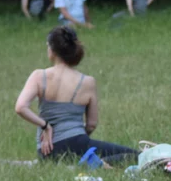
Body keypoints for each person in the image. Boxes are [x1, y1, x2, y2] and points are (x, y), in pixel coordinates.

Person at [14, 26, 137, 163]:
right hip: (77, 143)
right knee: (136, 156)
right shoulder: (87, 82)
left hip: (46, 152)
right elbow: (91, 124)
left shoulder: (39, 76)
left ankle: (88, 164)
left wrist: (45, 126)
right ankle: (89, 164)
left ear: (52, 50)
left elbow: (21, 107)